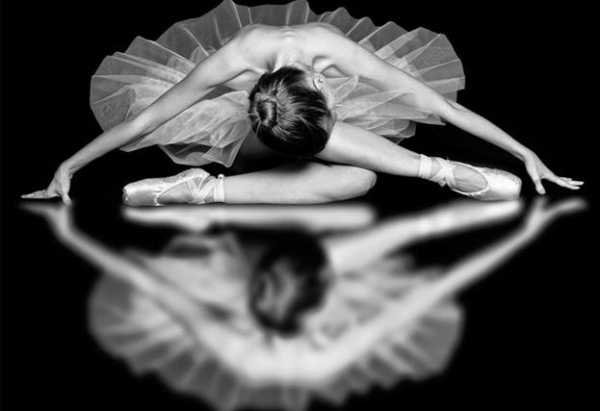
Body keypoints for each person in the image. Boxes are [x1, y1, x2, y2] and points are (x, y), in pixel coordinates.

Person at [22, 0, 582, 206]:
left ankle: (202, 191)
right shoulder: (235, 62)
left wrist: (525, 152)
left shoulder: (336, 54)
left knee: (359, 181)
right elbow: (148, 118)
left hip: (297, 128)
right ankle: (438, 171)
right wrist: (69, 166)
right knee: (346, 160)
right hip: (249, 137)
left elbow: (446, 109)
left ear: (319, 85)